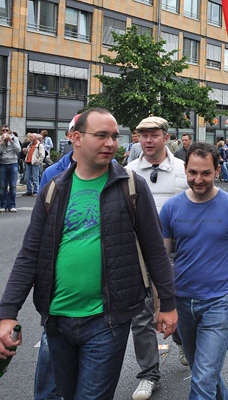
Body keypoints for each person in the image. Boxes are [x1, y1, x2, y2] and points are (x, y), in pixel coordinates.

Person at [0, 108, 177, 400]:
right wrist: (7, 313)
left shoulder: (131, 186)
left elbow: (155, 250)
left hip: (108, 320)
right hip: (56, 319)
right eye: (102, 136)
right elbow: (30, 254)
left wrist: (168, 304)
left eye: (114, 136)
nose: (111, 143)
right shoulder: (54, 189)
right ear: (76, 138)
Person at [159, 142, 228, 400]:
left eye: (205, 173)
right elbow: (160, 259)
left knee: (202, 377)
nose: (198, 179)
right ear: (185, 169)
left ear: (217, 170)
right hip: (182, 301)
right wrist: (161, 303)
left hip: (220, 301)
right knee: (204, 371)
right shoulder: (171, 208)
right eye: (193, 173)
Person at [126, 116, 189, 399]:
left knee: (179, 310)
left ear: (166, 137)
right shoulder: (126, 172)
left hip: (176, 255)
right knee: (141, 317)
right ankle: (149, 374)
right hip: (137, 257)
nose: (148, 141)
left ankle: (180, 339)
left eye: (153, 135)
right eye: (143, 135)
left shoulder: (184, 170)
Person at [0, 124, 21, 212]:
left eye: (6, 130)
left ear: (9, 131)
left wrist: (11, 141)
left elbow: (18, 150)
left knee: (12, 186)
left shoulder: (14, 139)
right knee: (3, 186)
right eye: (3, 130)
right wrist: (1, 143)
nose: (5, 132)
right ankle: (2, 205)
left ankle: (12, 205)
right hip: (3, 163)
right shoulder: (0, 139)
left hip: (13, 163)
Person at [23, 133, 46, 197]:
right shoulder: (30, 145)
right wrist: (25, 151)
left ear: (35, 138)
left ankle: (36, 191)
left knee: (35, 178)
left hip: (34, 163)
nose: (30, 138)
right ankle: (29, 190)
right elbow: (28, 152)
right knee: (27, 178)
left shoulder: (39, 145)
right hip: (28, 162)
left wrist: (38, 162)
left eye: (31, 137)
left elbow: (42, 155)